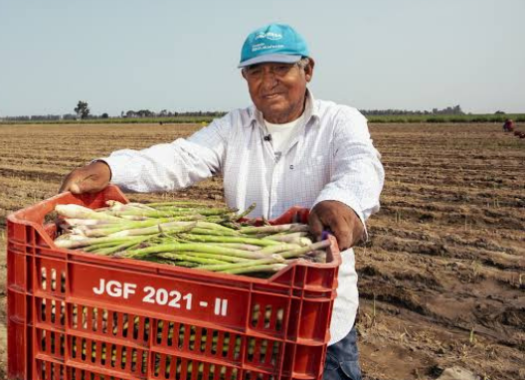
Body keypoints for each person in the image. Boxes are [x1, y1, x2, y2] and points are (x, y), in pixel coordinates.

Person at [60, 23, 384, 380]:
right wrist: (111, 167)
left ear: (307, 70)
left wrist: (342, 200)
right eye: (255, 71)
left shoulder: (339, 121)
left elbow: (360, 163)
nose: (267, 80)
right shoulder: (234, 126)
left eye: (280, 68)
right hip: (244, 314)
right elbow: (181, 157)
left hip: (318, 322)